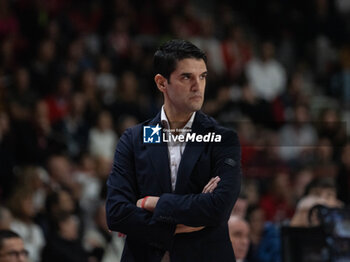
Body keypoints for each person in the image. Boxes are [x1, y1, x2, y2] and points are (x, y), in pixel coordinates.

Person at [106, 39, 241, 261]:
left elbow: (218, 207)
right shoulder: (133, 139)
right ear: (161, 83)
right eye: (186, 77)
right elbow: (117, 213)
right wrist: (182, 224)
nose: (198, 87)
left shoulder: (223, 138)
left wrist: (151, 203)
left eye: (203, 76)